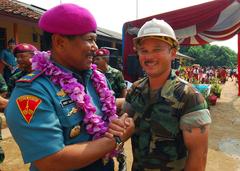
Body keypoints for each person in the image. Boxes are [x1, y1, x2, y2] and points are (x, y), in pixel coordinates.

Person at [5, 3, 134, 171]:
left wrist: (118, 123)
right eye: (90, 39)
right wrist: (115, 139)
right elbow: (50, 160)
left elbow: (103, 114)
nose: (95, 47)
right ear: (59, 42)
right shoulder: (33, 91)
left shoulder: (97, 78)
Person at [122, 18, 211, 171]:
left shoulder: (189, 97)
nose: (149, 57)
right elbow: (124, 125)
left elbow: (198, 155)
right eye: (144, 51)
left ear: (173, 53)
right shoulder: (135, 90)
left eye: (157, 49)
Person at [94, 48, 128, 171]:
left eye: (98, 59)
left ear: (106, 60)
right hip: (101, 111)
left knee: (117, 136)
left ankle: (121, 157)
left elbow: (123, 90)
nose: (95, 61)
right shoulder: (94, 73)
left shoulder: (116, 73)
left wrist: (122, 109)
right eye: (95, 58)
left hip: (114, 109)